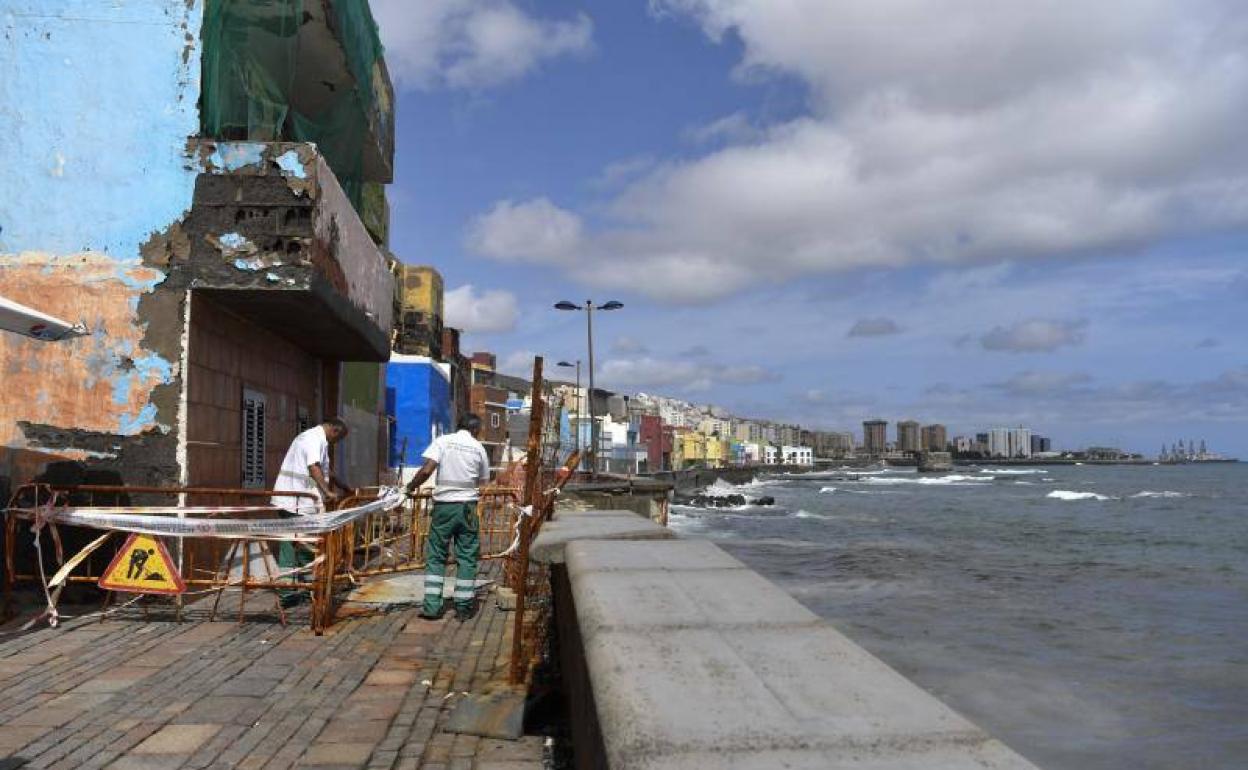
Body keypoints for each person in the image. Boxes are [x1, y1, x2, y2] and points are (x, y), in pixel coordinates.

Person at [406, 413, 491, 621]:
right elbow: (483, 480)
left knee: (436, 555)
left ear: (458, 425)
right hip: (468, 508)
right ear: (476, 430)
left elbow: (427, 470)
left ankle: (432, 607)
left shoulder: (443, 441)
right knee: (467, 556)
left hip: (444, 507)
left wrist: (409, 487)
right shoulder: (479, 448)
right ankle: (463, 608)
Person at [270, 417, 354, 605]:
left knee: (299, 545)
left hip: (293, 500)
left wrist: (342, 485)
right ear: (335, 431)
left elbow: (325, 469)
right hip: (297, 502)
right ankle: (293, 591)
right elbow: (314, 467)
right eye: (338, 439)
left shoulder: (311, 438)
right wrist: (328, 492)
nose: (336, 443)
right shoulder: (314, 439)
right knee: (297, 546)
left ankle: (304, 588)